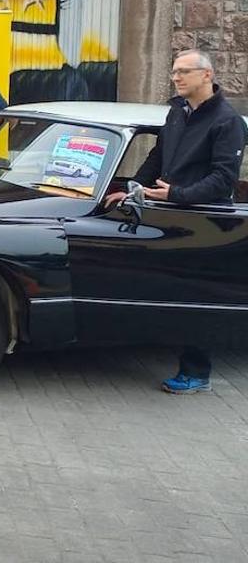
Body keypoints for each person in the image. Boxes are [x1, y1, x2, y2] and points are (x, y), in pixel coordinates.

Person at [104, 50, 246, 395]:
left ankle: (197, 372)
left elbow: (223, 179)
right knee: (163, 284)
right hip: (167, 212)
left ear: (206, 75)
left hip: (206, 220)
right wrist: (132, 188)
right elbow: (158, 155)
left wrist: (177, 194)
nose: (176, 77)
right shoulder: (177, 112)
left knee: (196, 293)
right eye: (173, 71)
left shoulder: (228, 122)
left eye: (184, 71)